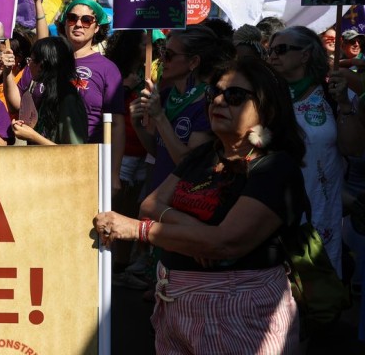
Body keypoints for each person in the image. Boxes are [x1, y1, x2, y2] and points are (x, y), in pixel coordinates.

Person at [94, 57, 306, 353]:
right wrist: (199, 235)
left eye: (234, 96)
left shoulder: (275, 168)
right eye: (214, 94)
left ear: (267, 108)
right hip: (176, 307)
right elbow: (150, 205)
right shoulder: (206, 153)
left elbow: (226, 243)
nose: (218, 101)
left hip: (240, 313)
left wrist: (141, 232)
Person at [269, 26, 363, 277]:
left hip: (320, 210)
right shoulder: (264, 94)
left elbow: (352, 148)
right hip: (272, 209)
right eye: (270, 51)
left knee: (318, 294)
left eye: (281, 49)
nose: (273, 56)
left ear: (305, 55)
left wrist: (344, 103)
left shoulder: (333, 93)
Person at [30, 0, 125, 189]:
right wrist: (38, 3)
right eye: (72, 18)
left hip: (86, 165)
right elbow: (42, 42)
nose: (78, 24)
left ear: (97, 26)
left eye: (87, 19)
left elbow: (116, 124)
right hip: (41, 161)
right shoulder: (50, 61)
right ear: (64, 24)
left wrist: (114, 173)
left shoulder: (107, 69)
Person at [132, 26, 227, 201]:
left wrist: (160, 117)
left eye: (169, 55)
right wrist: (137, 124)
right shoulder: (168, 95)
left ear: (193, 62)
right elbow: (158, 151)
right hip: (157, 194)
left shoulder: (208, 102)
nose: (161, 60)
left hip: (183, 201)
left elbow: (188, 164)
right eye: (162, 52)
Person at [11, 37, 88, 145]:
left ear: (42, 65)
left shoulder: (68, 100)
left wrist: (32, 135)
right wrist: (26, 129)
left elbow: (75, 152)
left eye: (31, 60)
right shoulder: (50, 94)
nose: (28, 64)